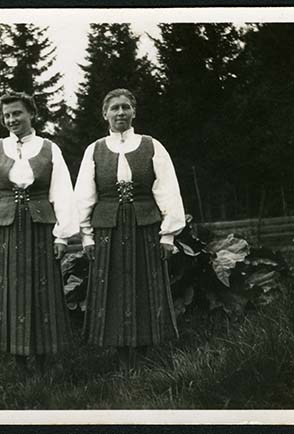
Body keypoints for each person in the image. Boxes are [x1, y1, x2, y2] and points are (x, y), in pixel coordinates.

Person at [74, 88, 186, 369]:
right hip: (108, 230)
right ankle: (122, 359)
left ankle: (144, 357)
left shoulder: (151, 146)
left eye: (126, 107)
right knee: (112, 289)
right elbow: (84, 195)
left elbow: (167, 190)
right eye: (114, 108)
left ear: (134, 112)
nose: (120, 112)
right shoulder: (95, 150)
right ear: (105, 114)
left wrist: (168, 234)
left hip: (144, 227)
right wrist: (86, 235)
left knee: (145, 287)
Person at [0, 91, 78, 374]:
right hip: (6, 232)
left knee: (42, 290)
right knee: (9, 290)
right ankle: (18, 362)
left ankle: (42, 361)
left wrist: (62, 235)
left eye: (17, 113)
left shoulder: (49, 149)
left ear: (31, 114)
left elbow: (62, 192)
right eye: (6, 115)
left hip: (41, 230)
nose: (11, 119)